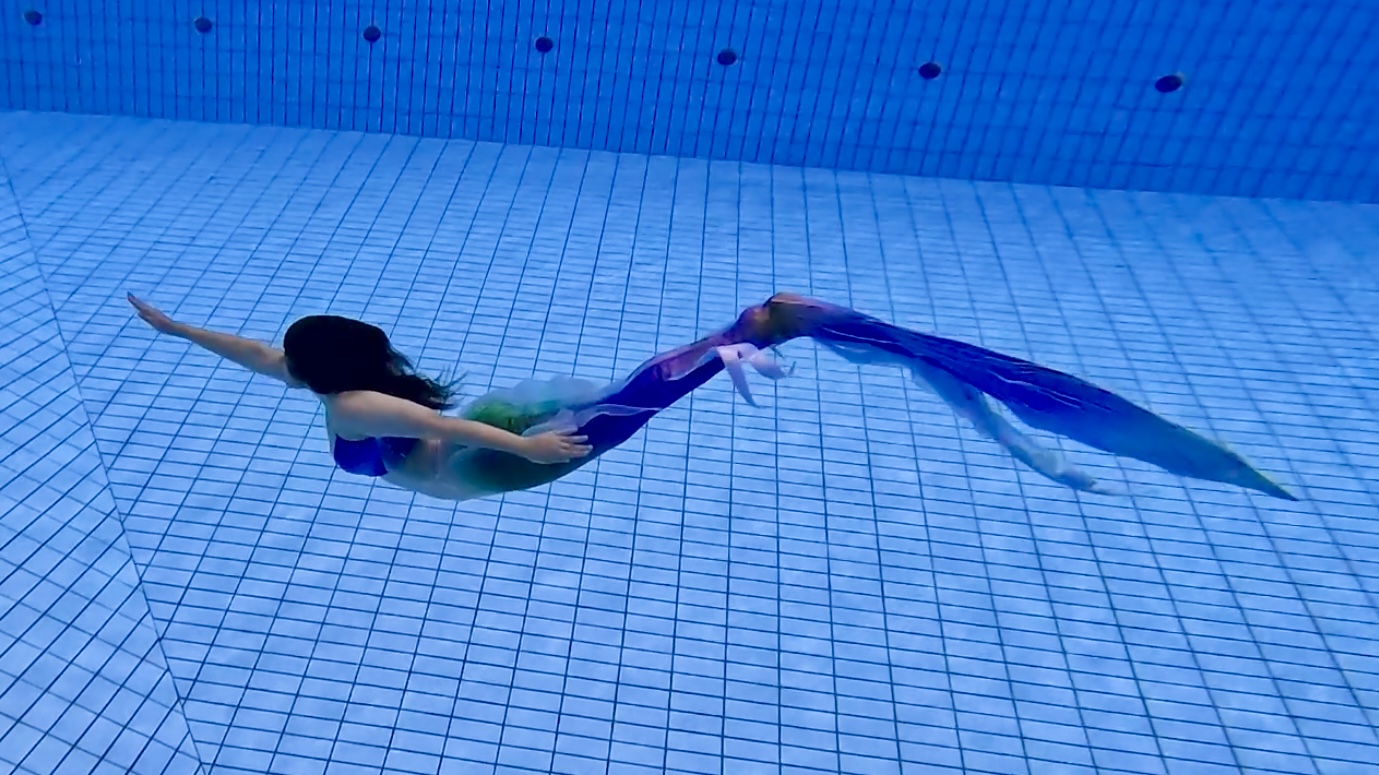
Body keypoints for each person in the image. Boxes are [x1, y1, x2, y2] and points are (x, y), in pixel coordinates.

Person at [126, 292, 1297, 502]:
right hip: (489, 431)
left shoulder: (352, 410)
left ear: (326, 375)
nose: (279, 365)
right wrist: (179, 331)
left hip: (489, 460)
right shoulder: (340, 376)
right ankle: (744, 335)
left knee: (634, 401)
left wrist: (530, 454)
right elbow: (263, 354)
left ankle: (754, 334)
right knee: (635, 388)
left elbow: (437, 429)